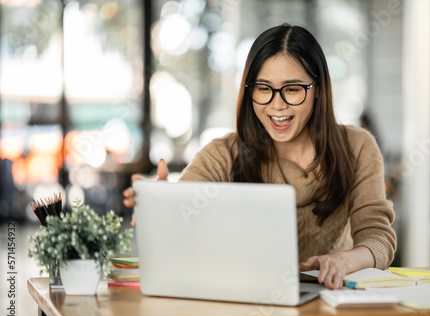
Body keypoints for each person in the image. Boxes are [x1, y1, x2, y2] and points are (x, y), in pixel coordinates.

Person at [123, 24, 396, 290]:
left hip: (331, 302)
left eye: (292, 89)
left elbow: (378, 238)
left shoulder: (357, 147)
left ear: (319, 89)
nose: (277, 105)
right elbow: (182, 227)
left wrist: (343, 261)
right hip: (245, 301)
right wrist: (161, 208)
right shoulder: (223, 154)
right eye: (263, 88)